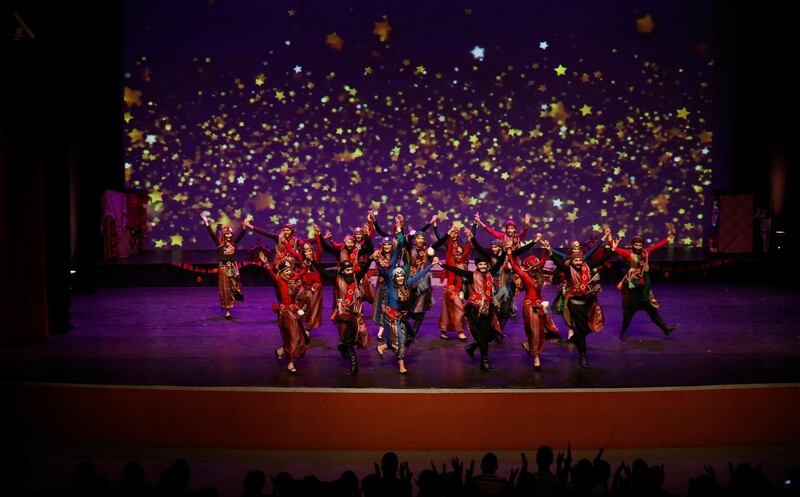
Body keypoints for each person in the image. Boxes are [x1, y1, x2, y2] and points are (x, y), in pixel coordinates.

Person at [548, 237, 619, 368]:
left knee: (588, 328)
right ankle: (583, 356)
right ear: (572, 260)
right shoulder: (568, 270)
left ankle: (576, 338)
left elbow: (601, 260)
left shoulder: (587, 267)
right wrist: (550, 251)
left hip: (588, 302)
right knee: (581, 331)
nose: (578, 262)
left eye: (580, 259)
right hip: (574, 304)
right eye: (576, 260)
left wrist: (612, 250)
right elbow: (558, 262)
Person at [376, 232, 439, 374]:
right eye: (397, 275)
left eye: (401, 275)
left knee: (403, 340)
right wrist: (398, 238)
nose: (399, 277)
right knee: (399, 341)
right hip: (391, 317)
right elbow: (391, 261)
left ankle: (383, 347)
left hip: (402, 317)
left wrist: (431, 265)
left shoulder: (407, 284)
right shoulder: (391, 285)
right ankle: (401, 365)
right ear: (393, 277)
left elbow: (419, 275)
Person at [441, 254, 507, 372]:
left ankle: (472, 347)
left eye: (484, 264)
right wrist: (441, 264)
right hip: (476, 311)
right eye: (480, 264)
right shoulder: (472, 275)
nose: (482, 266)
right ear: (477, 265)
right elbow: (456, 270)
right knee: (483, 336)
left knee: (493, 334)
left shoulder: (489, 274)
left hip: (489, 309)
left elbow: (499, 262)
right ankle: (484, 362)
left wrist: (506, 251)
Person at [613, 226, 678, 341]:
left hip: (644, 287)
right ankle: (623, 333)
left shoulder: (646, 253)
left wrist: (671, 236)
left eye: (640, 245)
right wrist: (609, 237)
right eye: (636, 245)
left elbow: (658, 245)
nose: (638, 247)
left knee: (651, 310)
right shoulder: (628, 254)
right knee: (629, 313)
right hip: (633, 287)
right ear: (632, 245)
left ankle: (665, 329)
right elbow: (615, 249)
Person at [311, 258, 371, 375]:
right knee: (347, 339)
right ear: (343, 271)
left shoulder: (355, 277)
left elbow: (364, 270)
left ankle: (343, 347)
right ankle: (354, 366)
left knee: (357, 336)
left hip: (355, 313)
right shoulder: (337, 279)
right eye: (348, 269)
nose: (350, 271)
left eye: (351, 269)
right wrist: (313, 262)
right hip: (343, 313)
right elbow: (323, 272)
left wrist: (370, 260)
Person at [507, 241, 559, 370]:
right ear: (529, 267)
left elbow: (543, 259)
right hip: (529, 307)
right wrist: (509, 254)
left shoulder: (538, 273)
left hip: (540, 305)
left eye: (537, 265)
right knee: (535, 331)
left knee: (541, 331)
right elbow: (514, 266)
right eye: (533, 266)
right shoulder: (525, 275)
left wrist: (547, 249)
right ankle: (536, 356)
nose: (536, 267)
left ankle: (529, 345)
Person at [262, 254, 307, 375]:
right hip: (286, 314)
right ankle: (290, 363)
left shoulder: (293, 280)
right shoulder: (280, 282)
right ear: (281, 272)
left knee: (296, 337)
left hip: (294, 313)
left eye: (290, 270)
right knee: (294, 337)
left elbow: (303, 271)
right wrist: (267, 263)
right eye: (286, 271)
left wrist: (305, 261)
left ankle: (281, 351)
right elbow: (271, 273)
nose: (288, 273)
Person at [201, 213, 246, 319]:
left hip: (232, 268)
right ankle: (227, 310)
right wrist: (207, 223)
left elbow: (241, 235)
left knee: (234, 287)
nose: (229, 236)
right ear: (224, 235)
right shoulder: (219, 244)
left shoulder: (234, 243)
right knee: (225, 288)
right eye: (227, 234)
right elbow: (212, 234)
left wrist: (244, 227)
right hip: (223, 268)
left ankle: (233, 300)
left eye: (230, 234)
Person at [282, 225, 324, 333]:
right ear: (304, 253)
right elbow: (291, 251)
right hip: (304, 286)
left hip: (315, 287)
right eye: (306, 251)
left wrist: (317, 234)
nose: (309, 253)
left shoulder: (316, 258)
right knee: (299, 307)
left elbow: (320, 247)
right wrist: (284, 243)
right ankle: (298, 326)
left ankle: (308, 329)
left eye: (310, 251)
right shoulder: (301, 259)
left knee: (312, 308)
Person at [438, 225, 472, 340]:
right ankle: (448, 331)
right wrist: (451, 238)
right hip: (450, 290)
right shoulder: (450, 262)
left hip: (460, 290)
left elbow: (467, 251)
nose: (458, 254)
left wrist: (469, 240)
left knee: (459, 311)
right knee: (448, 312)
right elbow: (448, 251)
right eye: (455, 253)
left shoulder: (462, 262)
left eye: (459, 253)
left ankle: (457, 331)